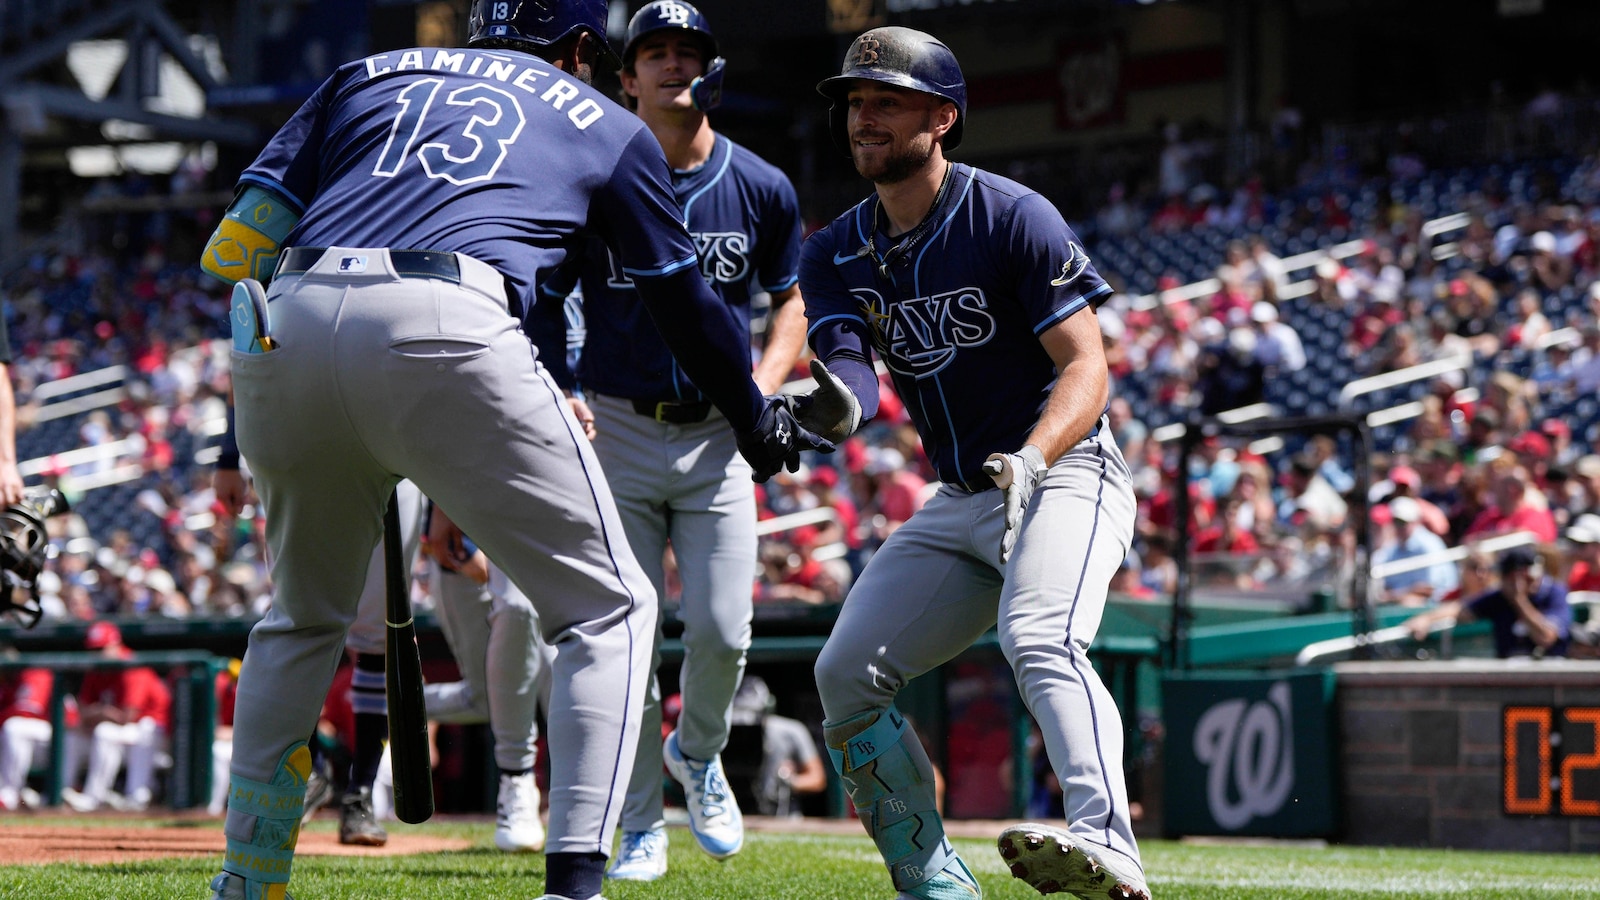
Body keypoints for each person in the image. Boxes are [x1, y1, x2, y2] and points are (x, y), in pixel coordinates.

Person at [195, 2, 826, 898]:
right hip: (447, 317)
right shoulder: (605, 121)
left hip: (284, 319)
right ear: (577, 49)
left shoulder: (370, 72)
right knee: (609, 610)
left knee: (300, 618)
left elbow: (235, 245)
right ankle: (573, 883)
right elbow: (682, 297)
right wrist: (754, 419)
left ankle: (248, 879)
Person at [796, 27, 1148, 900]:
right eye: (854, 101)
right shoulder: (831, 248)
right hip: (960, 495)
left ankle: (1110, 844)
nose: (862, 117)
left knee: (1040, 636)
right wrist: (831, 403)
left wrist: (1034, 455)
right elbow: (847, 365)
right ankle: (931, 874)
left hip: (1065, 473)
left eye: (886, 100)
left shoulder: (1010, 214)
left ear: (942, 117)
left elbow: (1086, 366)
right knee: (844, 675)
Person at [540, 1, 809, 882]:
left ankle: (699, 756)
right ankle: (637, 821)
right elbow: (548, 294)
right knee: (628, 629)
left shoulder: (760, 184)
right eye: (652, 52)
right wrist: (563, 386)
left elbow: (791, 298)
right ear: (624, 77)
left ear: (712, 69)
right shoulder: (594, 178)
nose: (670, 65)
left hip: (718, 436)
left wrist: (762, 390)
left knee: (726, 630)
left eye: (687, 51)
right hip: (616, 422)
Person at [422, 510, 555, 854]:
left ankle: (569, 795)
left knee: (558, 684)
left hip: (533, 556)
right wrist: (461, 545)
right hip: (468, 567)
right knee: (485, 701)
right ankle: (386, 705)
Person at [62, 621, 172, 812]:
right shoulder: (96, 669)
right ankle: (62, 792)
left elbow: (126, 716)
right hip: (124, 735)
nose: (97, 655)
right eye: (93, 650)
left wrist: (97, 712)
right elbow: (82, 714)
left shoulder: (131, 665)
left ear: (115, 645)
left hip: (155, 735)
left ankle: (120, 796)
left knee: (107, 731)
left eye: (101, 649)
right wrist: (103, 712)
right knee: (72, 737)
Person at [1404, 547, 1571, 658]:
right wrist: (1425, 619)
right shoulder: (1500, 596)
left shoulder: (1553, 592)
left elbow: (1546, 637)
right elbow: (1461, 609)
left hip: (1548, 677)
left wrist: (1519, 601)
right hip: (1509, 678)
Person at [1371, 497, 1458, 606]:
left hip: (1438, 605)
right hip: (1404, 604)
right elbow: (1386, 586)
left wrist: (1395, 596)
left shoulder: (1428, 545)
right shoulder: (1391, 549)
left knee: (1409, 602)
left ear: (1416, 521)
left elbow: (1429, 589)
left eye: (1403, 522)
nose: (1399, 526)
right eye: (1395, 521)